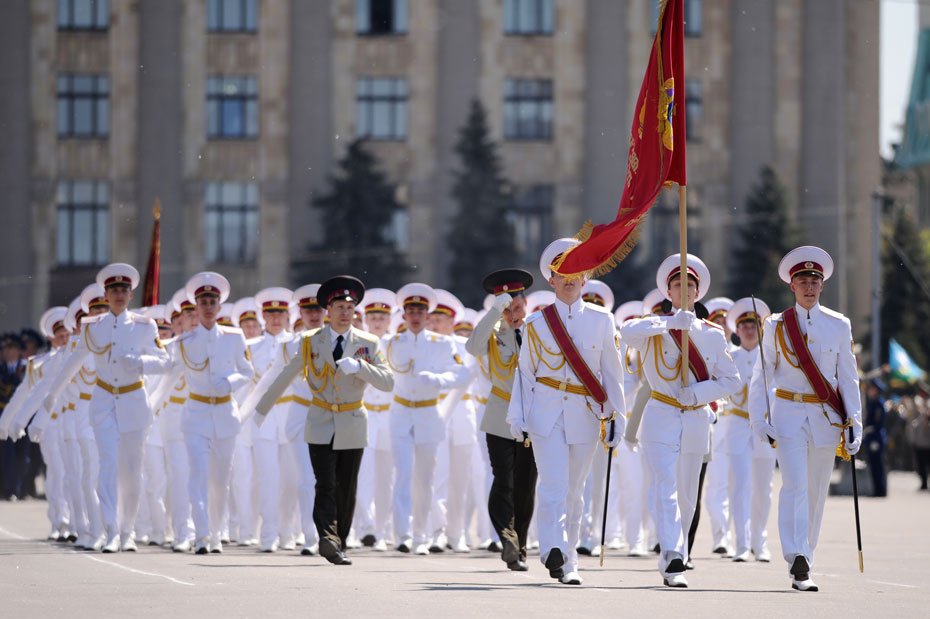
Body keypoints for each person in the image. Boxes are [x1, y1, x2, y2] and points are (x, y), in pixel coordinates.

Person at [244, 275, 394, 565]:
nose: (345, 312)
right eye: (339, 307)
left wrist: (361, 367)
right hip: (320, 418)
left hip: (352, 419)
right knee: (324, 481)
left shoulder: (369, 343)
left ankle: (341, 541)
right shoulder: (311, 341)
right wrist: (260, 411)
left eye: (350, 308)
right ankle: (326, 535)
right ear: (329, 310)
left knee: (346, 486)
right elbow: (284, 375)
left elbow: (388, 382)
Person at [508, 238, 627, 586]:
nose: (571, 278)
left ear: (587, 277)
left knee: (576, 491)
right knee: (553, 485)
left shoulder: (603, 321)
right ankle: (552, 548)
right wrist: (517, 415)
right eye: (563, 272)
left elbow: (612, 374)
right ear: (552, 280)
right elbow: (524, 374)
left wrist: (617, 416)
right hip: (545, 412)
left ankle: (570, 558)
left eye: (577, 271)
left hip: (585, 413)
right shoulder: (535, 324)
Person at [620, 254, 739, 588]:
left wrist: (700, 393)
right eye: (677, 285)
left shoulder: (712, 334)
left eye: (690, 285)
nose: (684, 289)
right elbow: (627, 333)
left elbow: (732, 381)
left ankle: (680, 551)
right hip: (660, 413)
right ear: (668, 293)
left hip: (696, 417)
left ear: (698, 292)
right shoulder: (654, 326)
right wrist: (669, 324)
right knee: (665, 487)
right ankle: (671, 554)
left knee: (688, 493)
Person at [748, 246, 861, 592]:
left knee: (816, 491)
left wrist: (855, 420)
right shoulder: (776, 325)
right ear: (791, 286)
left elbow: (849, 376)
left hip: (826, 416)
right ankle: (796, 557)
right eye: (802, 281)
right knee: (795, 484)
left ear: (822, 285)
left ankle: (807, 556)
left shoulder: (838, 325)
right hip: (788, 412)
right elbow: (761, 374)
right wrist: (759, 417)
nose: (809, 287)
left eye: (814, 280)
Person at [40, 264, 170, 552]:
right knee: (107, 465)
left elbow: (166, 362)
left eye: (124, 290)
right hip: (103, 402)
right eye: (114, 290)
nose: (119, 294)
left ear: (131, 294)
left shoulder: (144, 326)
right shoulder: (92, 328)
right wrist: (52, 394)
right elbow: (71, 363)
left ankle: (128, 531)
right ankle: (111, 530)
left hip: (134, 401)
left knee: (132, 470)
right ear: (106, 294)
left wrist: (140, 363)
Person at [151, 272, 254, 554]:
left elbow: (247, 372)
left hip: (224, 414)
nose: (208, 307)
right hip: (195, 414)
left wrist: (230, 382)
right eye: (203, 302)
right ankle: (201, 536)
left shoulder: (234, 338)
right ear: (196, 307)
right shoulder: (184, 343)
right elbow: (168, 379)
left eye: (212, 301)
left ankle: (217, 534)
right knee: (196, 477)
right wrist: (150, 407)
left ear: (219, 307)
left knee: (220, 481)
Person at [386, 283, 470, 555]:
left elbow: (461, 374)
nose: (415, 316)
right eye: (410, 311)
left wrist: (438, 380)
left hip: (427, 412)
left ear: (427, 315)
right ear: (403, 315)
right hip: (400, 412)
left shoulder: (442, 344)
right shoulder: (391, 343)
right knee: (402, 473)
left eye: (420, 311)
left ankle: (421, 535)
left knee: (425, 478)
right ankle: (402, 534)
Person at [465, 268, 535, 571]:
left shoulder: (537, 331)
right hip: (500, 414)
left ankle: (520, 542)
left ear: (526, 303)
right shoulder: (493, 334)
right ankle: (507, 538)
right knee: (503, 479)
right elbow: (472, 347)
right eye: (506, 308)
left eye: (516, 307)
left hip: (532, 417)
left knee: (526, 485)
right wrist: (495, 312)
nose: (512, 314)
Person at [723, 296, 776, 563]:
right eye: (744, 326)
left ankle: (760, 542)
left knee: (763, 487)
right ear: (737, 329)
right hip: (737, 424)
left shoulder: (769, 357)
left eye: (753, 325)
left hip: (765, 425)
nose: (748, 330)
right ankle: (742, 544)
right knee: (739, 486)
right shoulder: (729, 356)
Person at [863, 379, 887, 497]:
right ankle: (877, 489)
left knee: (878, 465)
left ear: (876, 390)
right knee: (873, 465)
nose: (869, 391)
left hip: (875, 438)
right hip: (871, 436)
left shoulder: (878, 403)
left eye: (871, 389)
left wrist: (875, 439)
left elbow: (878, 423)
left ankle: (880, 490)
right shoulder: (872, 402)